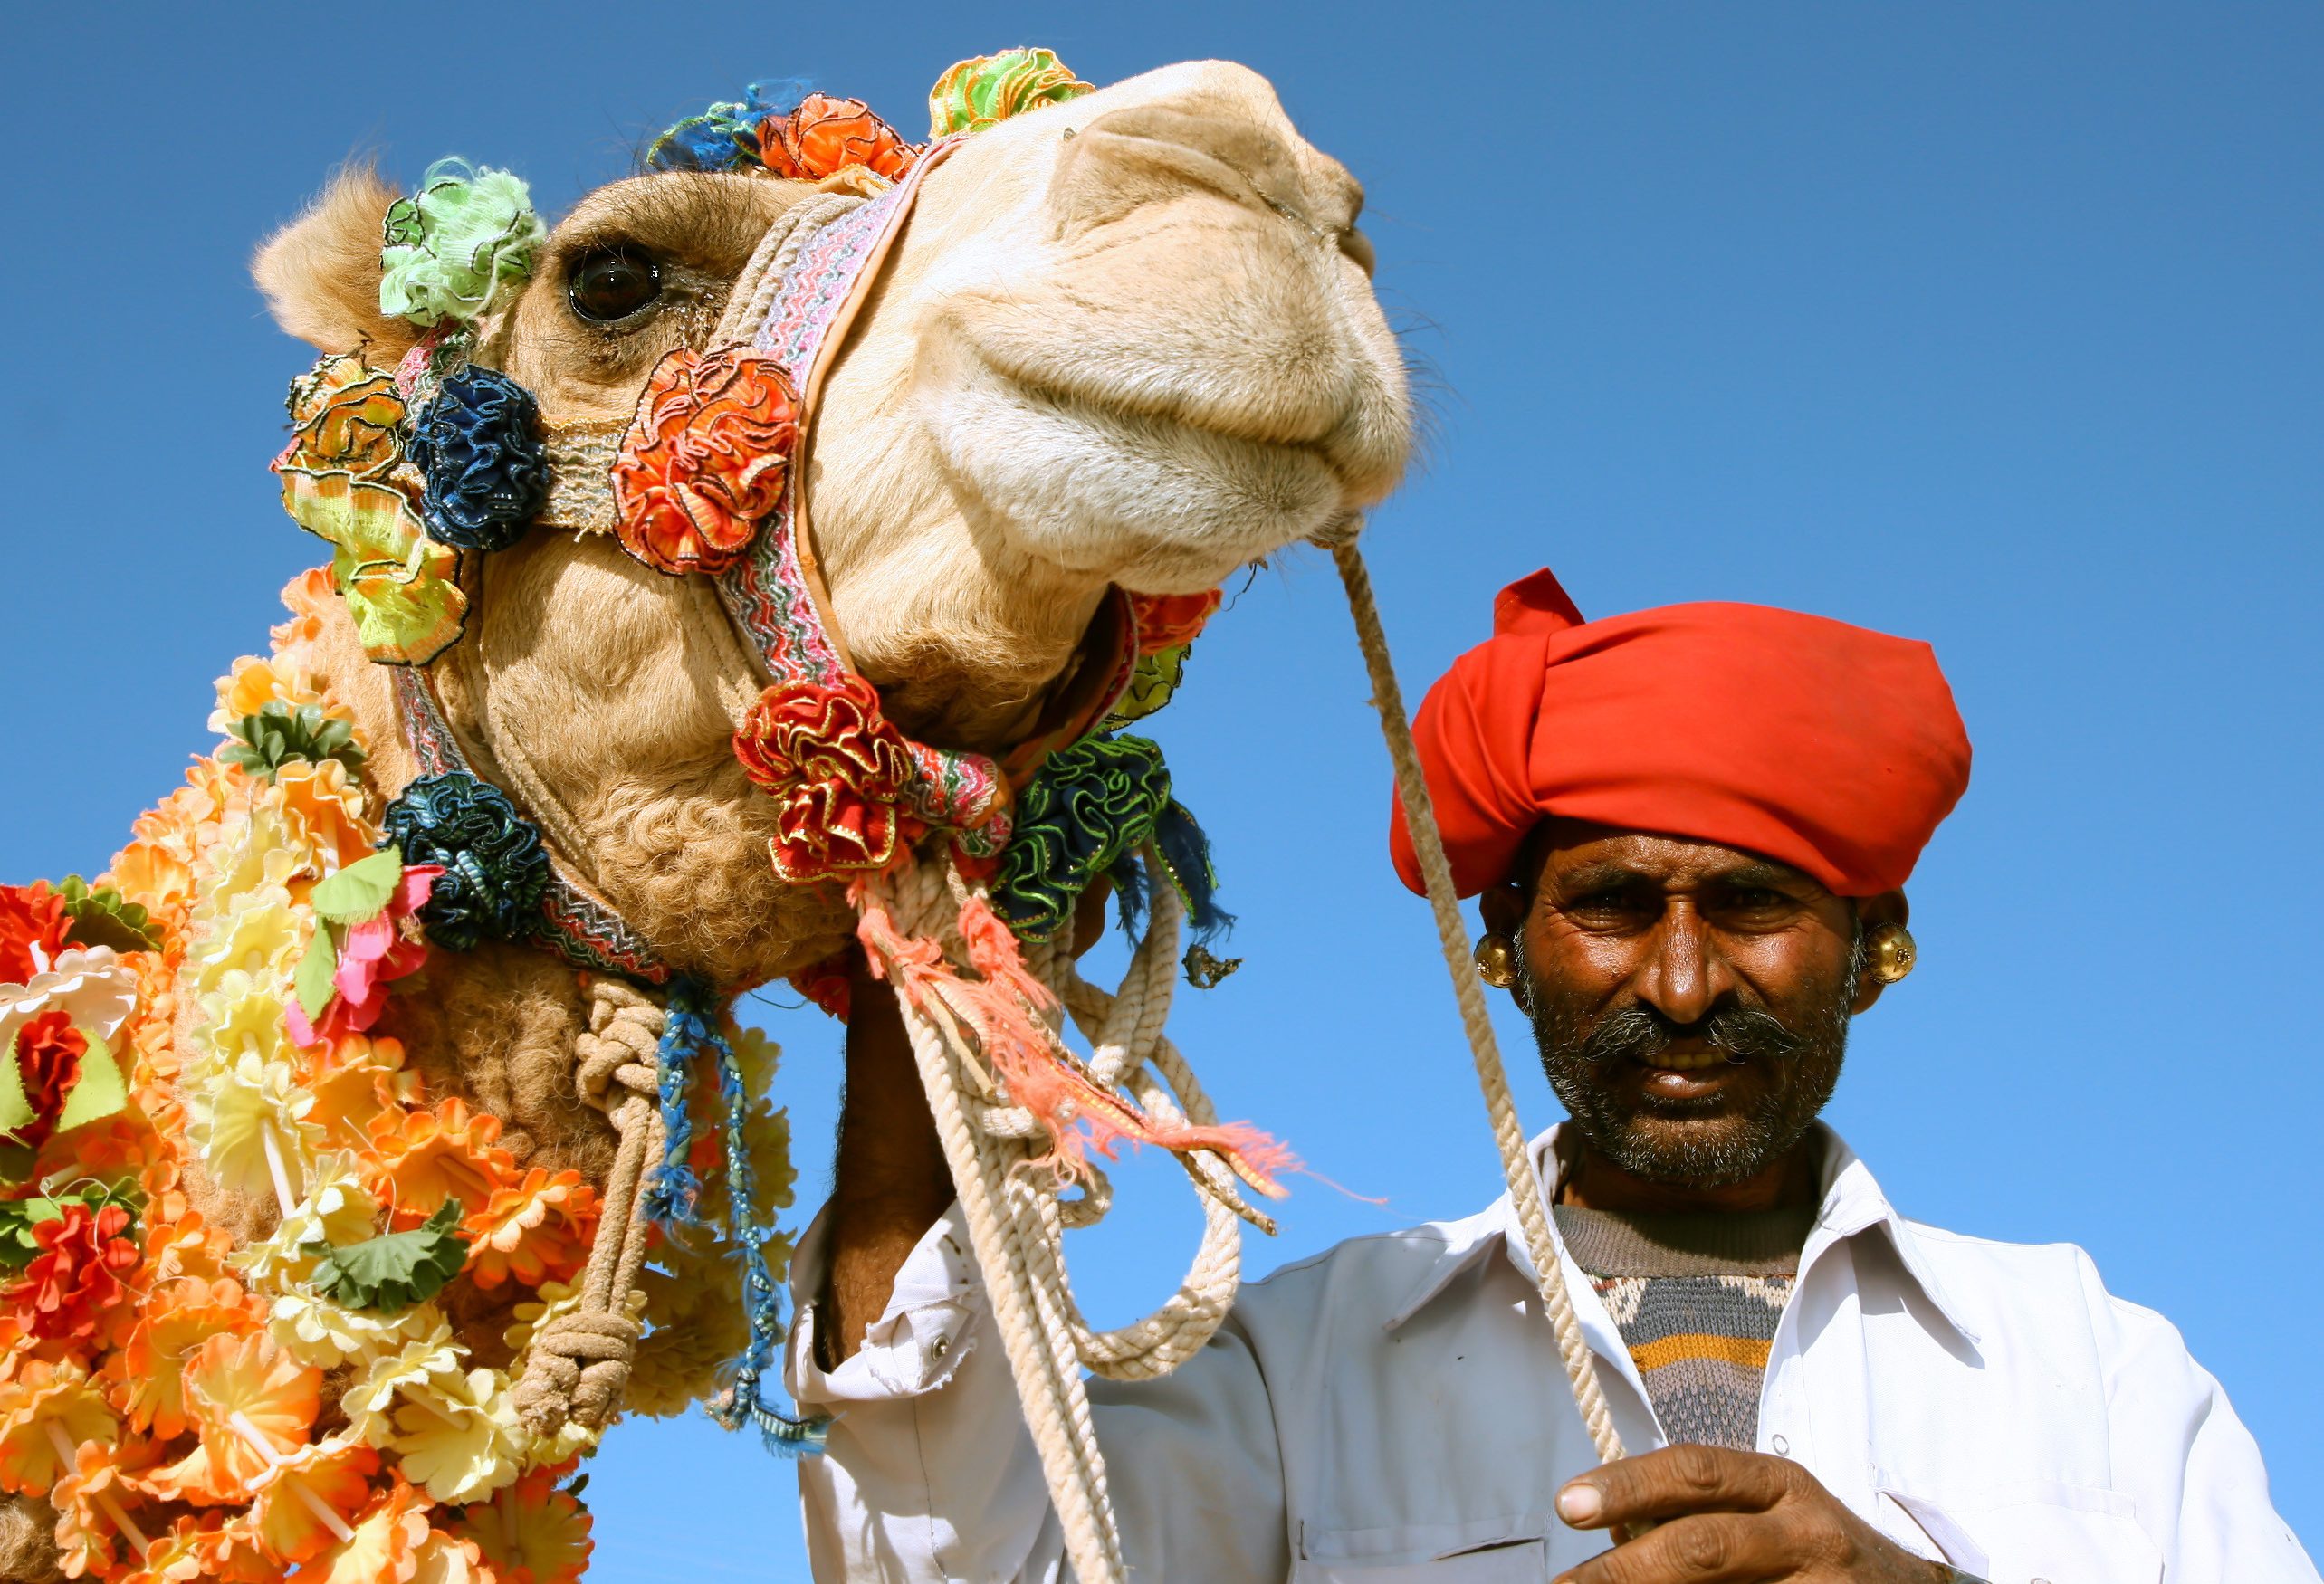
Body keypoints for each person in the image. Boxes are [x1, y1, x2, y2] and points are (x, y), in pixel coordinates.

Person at [787, 569, 2318, 1582]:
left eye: (1754, 905)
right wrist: (913, 965)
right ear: (1504, 952)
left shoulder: (2098, 1371)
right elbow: (953, 1554)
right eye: (1610, 904)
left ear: (1879, 947)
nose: (1681, 982)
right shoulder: (1302, 1366)